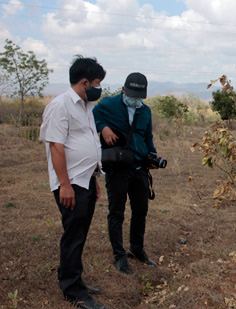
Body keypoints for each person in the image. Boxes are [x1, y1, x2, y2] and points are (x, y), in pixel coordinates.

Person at [40, 56, 107, 309]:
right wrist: (65, 185)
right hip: (70, 184)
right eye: (98, 83)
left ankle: (72, 277)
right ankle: (73, 290)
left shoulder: (85, 107)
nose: (100, 88)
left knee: (80, 233)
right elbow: (56, 147)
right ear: (85, 82)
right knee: (74, 235)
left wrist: (95, 178)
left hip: (85, 180)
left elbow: (88, 143)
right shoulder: (61, 106)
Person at [93, 72, 160, 275]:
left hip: (139, 168)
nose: (135, 100)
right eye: (132, 95)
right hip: (118, 168)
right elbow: (92, 117)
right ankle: (120, 256)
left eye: (139, 96)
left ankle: (137, 249)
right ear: (123, 90)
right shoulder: (108, 105)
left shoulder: (145, 111)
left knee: (141, 211)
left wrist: (153, 156)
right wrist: (103, 128)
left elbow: (147, 137)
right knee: (116, 213)